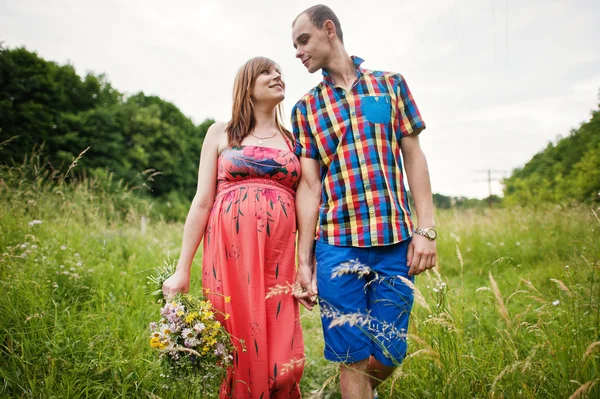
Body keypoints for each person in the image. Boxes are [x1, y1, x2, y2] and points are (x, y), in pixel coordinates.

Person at [291, 5, 438, 398]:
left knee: (390, 349)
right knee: (350, 355)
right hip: (336, 246)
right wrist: (304, 260)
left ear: (329, 30)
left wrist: (426, 229)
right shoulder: (305, 108)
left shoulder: (390, 85)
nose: (298, 51)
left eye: (303, 40)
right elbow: (309, 187)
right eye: (294, 46)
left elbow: (414, 157)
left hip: (394, 241)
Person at [162, 57, 304, 399]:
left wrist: (306, 265)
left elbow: (308, 200)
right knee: (234, 353)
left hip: (277, 262)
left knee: (284, 367)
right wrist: (182, 270)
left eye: (280, 72)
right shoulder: (220, 133)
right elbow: (201, 202)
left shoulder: (294, 140)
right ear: (247, 85)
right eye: (267, 72)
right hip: (229, 259)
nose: (277, 76)